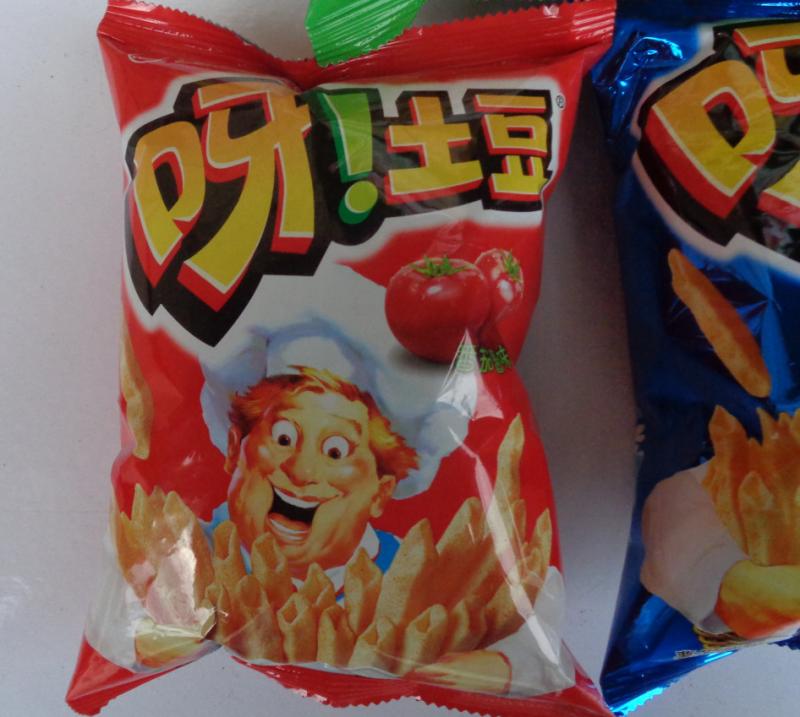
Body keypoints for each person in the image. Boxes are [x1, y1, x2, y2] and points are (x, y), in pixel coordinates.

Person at [220, 366, 419, 589]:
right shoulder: (196, 550)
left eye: (335, 453)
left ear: (379, 495)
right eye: (284, 439)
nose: (301, 472)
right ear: (234, 449)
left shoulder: (413, 577)